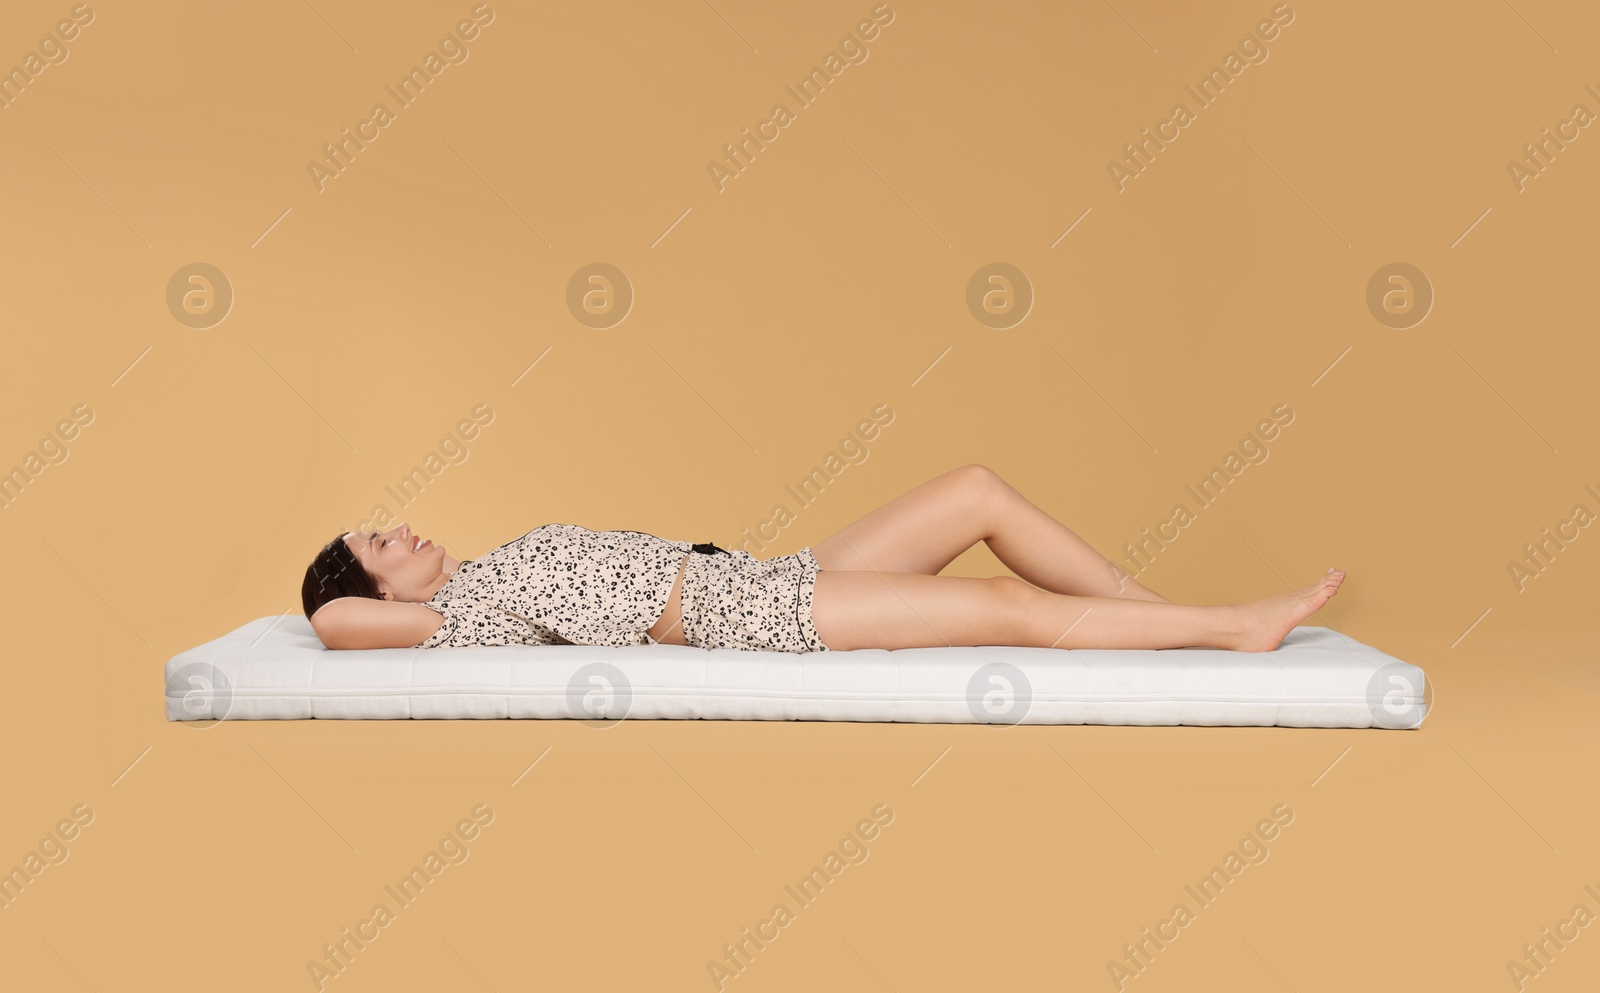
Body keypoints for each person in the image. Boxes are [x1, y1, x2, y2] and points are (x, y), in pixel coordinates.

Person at [301, 464, 1343, 654]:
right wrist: (337, 590)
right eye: (379, 544)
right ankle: (1224, 630)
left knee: (974, 489)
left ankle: (1160, 627)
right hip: (741, 620)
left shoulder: (486, 570)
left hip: (760, 573)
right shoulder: (454, 620)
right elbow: (329, 626)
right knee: (999, 600)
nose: (405, 531)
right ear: (375, 587)